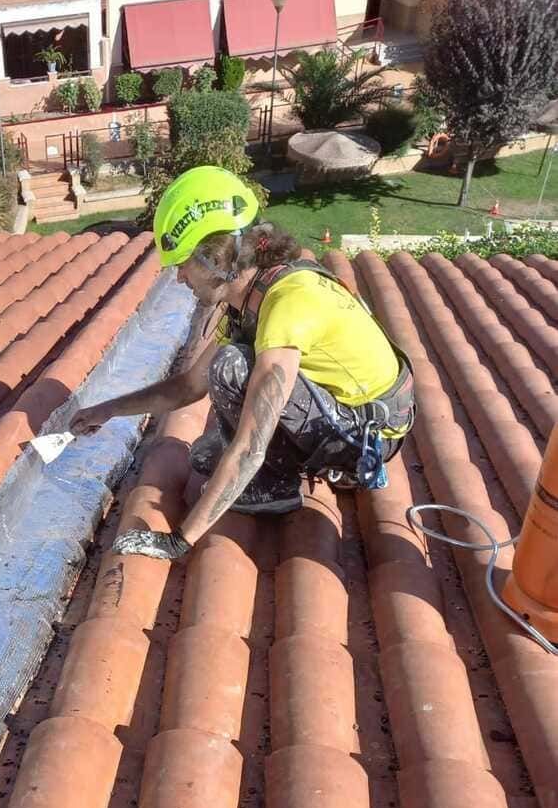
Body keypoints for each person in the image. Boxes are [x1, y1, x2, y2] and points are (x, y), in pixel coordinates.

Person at [71, 166, 415, 560]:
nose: (180, 278)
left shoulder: (289, 302)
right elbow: (187, 387)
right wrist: (108, 410)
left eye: (183, 264)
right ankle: (275, 469)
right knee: (204, 455)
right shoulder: (249, 298)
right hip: (343, 411)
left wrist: (177, 541)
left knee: (231, 365)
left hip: (369, 435)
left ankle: (274, 488)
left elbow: (252, 440)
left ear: (216, 255)